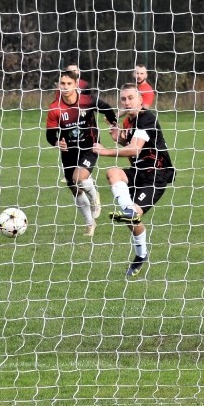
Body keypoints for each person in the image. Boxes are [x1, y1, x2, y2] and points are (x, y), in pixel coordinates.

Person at [93, 83, 174, 278]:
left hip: (156, 175)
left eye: (131, 98)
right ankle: (129, 216)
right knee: (113, 173)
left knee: (132, 217)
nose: (127, 102)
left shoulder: (147, 118)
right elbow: (129, 144)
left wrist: (105, 151)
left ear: (140, 100)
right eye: (123, 99)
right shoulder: (130, 121)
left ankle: (139, 250)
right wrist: (118, 136)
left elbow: (135, 149)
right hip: (138, 172)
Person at [45, 69, 117, 237]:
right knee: (74, 188)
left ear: (76, 84)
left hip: (90, 147)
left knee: (80, 178)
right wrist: (57, 142)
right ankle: (90, 223)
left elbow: (106, 108)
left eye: (69, 83)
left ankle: (94, 196)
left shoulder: (87, 100)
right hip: (69, 151)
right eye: (62, 83)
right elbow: (49, 134)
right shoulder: (55, 108)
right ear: (58, 85)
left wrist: (113, 123)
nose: (65, 87)